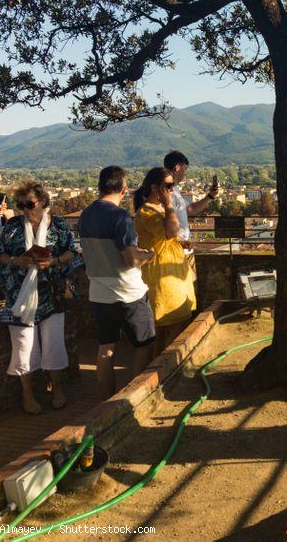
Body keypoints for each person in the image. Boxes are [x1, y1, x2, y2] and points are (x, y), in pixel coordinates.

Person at [0, 181, 81, 414]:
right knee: (23, 346)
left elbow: (71, 252)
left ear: (42, 201)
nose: (25, 209)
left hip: (51, 292)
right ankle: (27, 395)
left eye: (29, 204)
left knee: (53, 343)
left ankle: (58, 389)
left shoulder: (59, 225)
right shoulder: (12, 226)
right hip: (19, 295)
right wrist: (16, 261)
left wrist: (53, 261)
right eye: (21, 205)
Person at [79, 166, 156, 399]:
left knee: (106, 349)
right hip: (128, 293)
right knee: (144, 345)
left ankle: (105, 402)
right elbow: (131, 259)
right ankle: (134, 398)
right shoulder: (119, 216)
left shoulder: (85, 215)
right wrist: (147, 256)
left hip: (99, 294)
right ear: (124, 189)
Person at [134, 167, 197, 355]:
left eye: (173, 185)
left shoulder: (158, 210)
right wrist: (169, 205)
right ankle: (162, 369)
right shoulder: (146, 212)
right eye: (168, 185)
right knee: (167, 327)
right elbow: (171, 231)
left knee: (171, 326)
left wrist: (179, 243)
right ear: (155, 187)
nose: (172, 189)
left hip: (173, 271)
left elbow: (168, 237)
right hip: (162, 275)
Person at [163, 151, 221, 251]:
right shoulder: (166, 192)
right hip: (177, 249)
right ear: (177, 167)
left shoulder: (174, 190)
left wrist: (210, 196)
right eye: (185, 169)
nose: (185, 173)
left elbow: (191, 209)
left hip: (183, 248)